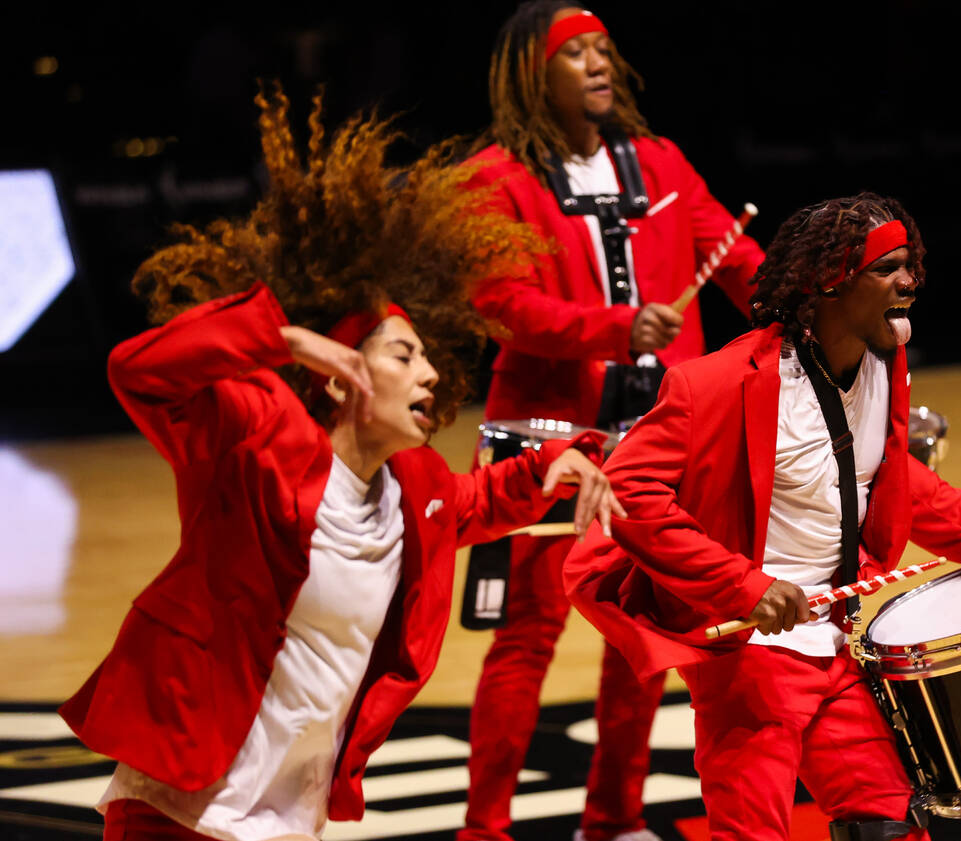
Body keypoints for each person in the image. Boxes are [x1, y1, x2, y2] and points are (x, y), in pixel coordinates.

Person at [57, 86, 625, 841]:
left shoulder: (412, 490)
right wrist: (280, 338)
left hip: (292, 820)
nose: (429, 374)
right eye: (404, 353)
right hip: (179, 809)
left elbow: (477, 499)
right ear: (338, 373)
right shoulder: (253, 440)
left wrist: (554, 461)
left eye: (426, 356)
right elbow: (140, 370)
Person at [563, 193, 961, 841]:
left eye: (910, 264)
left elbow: (885, 476)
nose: (911, 281)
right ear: (832, 281)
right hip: (748, 662)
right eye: (888, 268)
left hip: (833, 646)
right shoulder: (717, 384)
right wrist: (745, 586)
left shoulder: (886, 362)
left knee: (893, 826)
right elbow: (629, 494)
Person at [457, 4, 765, 841]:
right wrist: (614, 327)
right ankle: (484, 828)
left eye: (602, 49)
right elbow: (502, 306)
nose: (597, 63)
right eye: (575, 53)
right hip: (551, 440)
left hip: (662, 439)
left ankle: (613, 818)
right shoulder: (494, 178)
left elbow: (735, 260)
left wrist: (805, 314)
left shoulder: (658, 159)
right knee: (528, 635)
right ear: (533, 73)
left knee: (645, 633)